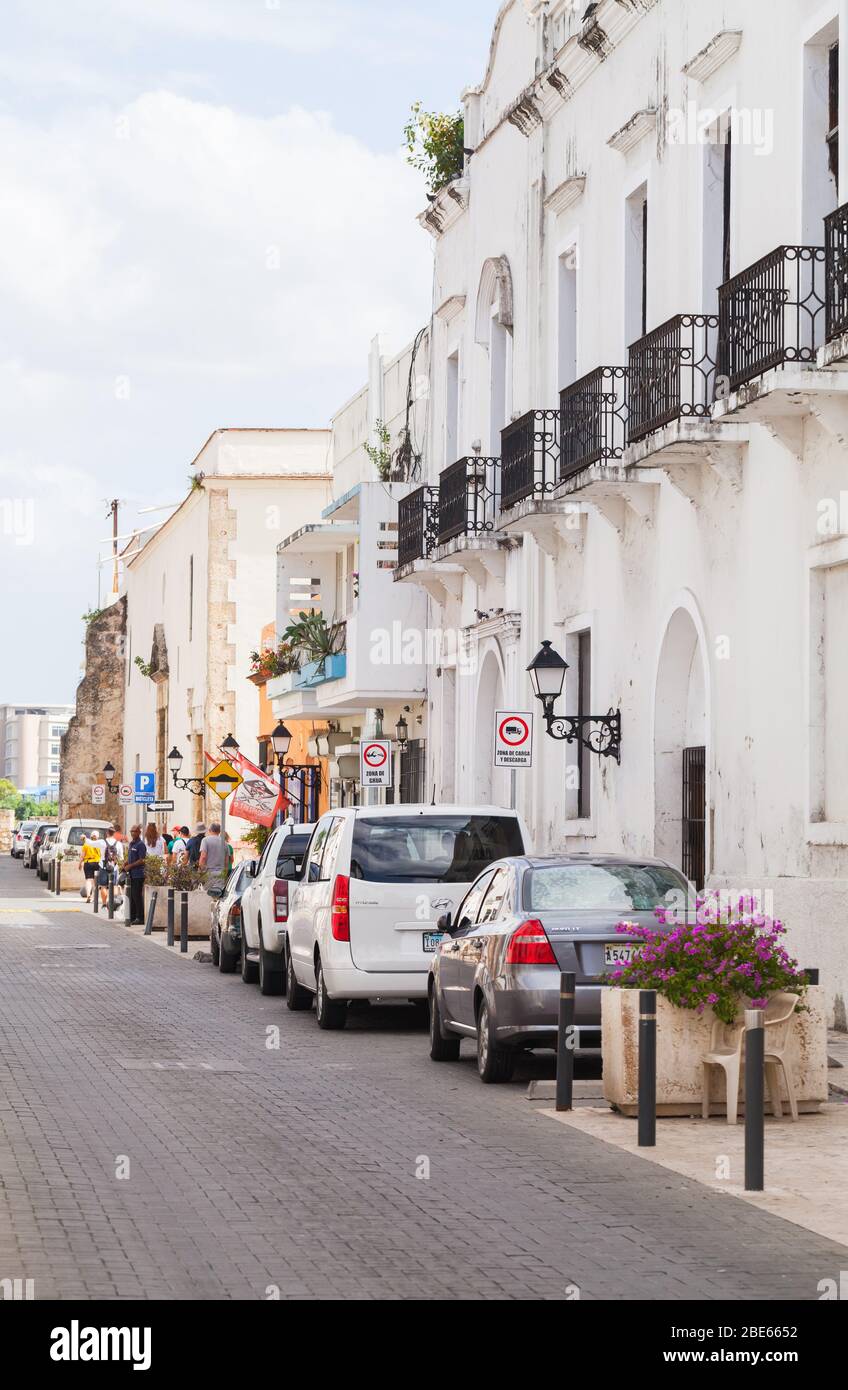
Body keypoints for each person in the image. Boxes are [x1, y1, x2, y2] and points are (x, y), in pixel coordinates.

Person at [98, 826, 124, 908]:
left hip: (103, 866)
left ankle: (104, 904)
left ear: (107, 833)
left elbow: (90, 843)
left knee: (103, 886)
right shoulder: (119, 844)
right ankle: (113, 903)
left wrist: (85, 838)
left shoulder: (102, 842)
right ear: (114, 833)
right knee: (114, 885)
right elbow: (121, 858)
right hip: (114, 868)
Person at [127, 824, 147, 925]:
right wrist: (126, 864)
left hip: (138, 874)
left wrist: (130, 866)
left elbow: (142, 860)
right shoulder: (131, 844)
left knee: (137, 896)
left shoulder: (141, 845)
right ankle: (132, 916)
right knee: (132, 896)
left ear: (139, 832)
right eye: (131, 831)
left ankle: (140, 917)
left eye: (134, 831)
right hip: (131, 874)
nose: (132, 833)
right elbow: (130, 858)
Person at [199, 821, 226, 888]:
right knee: (218, 894)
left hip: (209, 872)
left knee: (208, 895)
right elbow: (226, 860)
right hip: (221, 873)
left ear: (209, 830)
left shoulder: (205, 840)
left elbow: (203, 857)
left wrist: (200, 870)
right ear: (219, 831)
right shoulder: (224, 842)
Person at [80, 831, 102, 902]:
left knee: (89, 880)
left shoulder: (86, 844)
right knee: (96, 881)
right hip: (98, 863)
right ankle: (95, 897)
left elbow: (82, 856)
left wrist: (80, 863)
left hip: (88, 863)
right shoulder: (100, 844)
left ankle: (88, 895)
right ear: (97, 837)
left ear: (91, 836)